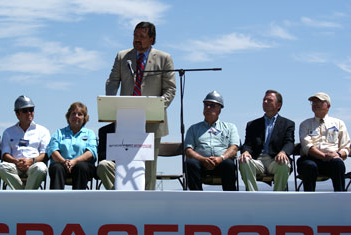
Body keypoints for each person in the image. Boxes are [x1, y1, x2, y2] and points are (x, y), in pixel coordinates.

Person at [101, 21, 176, 190]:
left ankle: (147, 205)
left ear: (152, 39)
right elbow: (112, 82)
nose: (137, 39)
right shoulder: (122, 57)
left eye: (142, 37)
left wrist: (154, 108)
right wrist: (111, 101)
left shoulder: (164, 59)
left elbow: (170, 90)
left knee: (148, 169)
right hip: (125, 122)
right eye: (135, 35)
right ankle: (122, 201)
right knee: (123, 164)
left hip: (152, 122)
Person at [239, 90, 295, 191]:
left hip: (275, 160)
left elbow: (289, 142)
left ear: (278, 105)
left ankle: (278, 197)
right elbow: (248, 144)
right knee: (244, 161)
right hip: (257, 160)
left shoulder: (288, 124)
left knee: (284, 162)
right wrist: (246, 151)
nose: (265, 102)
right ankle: (253, 196)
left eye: (269, 100)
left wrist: (283, 152)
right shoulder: (252, 124)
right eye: (264, 100)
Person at [185, 91, 240, 191]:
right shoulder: (193, 128)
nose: (208, 107)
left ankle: (230, 200)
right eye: (206, 105)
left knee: (228, 164)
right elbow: (188, 150)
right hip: (200, 164)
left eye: (212, 105)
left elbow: (234, 147)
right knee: (190, 163)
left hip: (221, 163)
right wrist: (202, 159)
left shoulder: (230, 127)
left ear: (220, 109)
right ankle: (197, 199)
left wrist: (221, 158)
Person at [298, 92, 350, 191]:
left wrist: (338, 154)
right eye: (313, 102)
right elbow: (307, 146)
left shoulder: (339, 123)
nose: (315, 104)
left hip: (332, 160)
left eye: (319, 101)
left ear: (328, 105)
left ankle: (340, 198)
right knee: (309, 166)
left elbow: (346, 146)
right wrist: (325, 156)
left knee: (338, 164)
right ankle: (309, 200)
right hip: (310, 159)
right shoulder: (305, 124)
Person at [0, 95, 50, 190]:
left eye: (31, 109)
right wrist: (16, 162)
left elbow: (45, 154)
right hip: (15, 165)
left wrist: (31, 161)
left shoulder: (43, 131)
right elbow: (5, 154)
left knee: (41, 168)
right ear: (17, 114)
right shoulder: (8, 132)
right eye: (25, 110)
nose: (29, 113)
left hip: (34, 165)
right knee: (1, 167)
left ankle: (22, 196)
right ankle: (26, 195)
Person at [46, 102, 97, 189]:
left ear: (84, 118)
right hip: (61, 164)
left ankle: (78, 201)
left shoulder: (90, 133)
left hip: (82, 167)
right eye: (73, 113)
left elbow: (91, 152)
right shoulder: (59, 133)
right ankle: (55, 200)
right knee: (56, 168)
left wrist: (75, 161)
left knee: (80, 166)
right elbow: (53, 150)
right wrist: (63, 162)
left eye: (80, 114)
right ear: (68, 116)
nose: (76, 116)